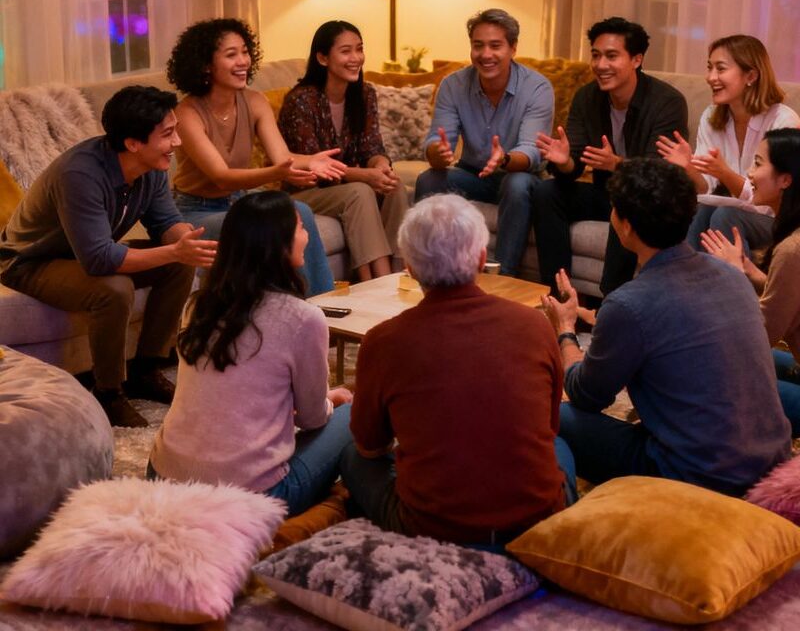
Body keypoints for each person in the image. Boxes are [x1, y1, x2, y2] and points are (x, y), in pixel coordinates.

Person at [542, 158, 791, 496]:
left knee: (549, 414)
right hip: (768, 463)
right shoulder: (732, 276)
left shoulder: (628, 303)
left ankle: (563, 520)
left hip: (695, 475)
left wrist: (566, 329)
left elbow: (587, 395)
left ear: (625, 226)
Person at [340, 194, 576, 550]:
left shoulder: (382, 341)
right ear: (482, 258)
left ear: (410, 268)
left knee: (351, 458)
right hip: (536, 521)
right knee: (559, 448)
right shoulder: (536, 324)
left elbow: (370, 447)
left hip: (433, 529)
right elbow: (549, 426)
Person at [0, 86, 215, 427]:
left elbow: (165, 221)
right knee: (114, 288)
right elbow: (100, 260)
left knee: (177, 264)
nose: (177, 143)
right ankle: (108, 392)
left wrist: (188, 243)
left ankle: (147, 368)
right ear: (133, 143)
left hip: (83, 254)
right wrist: (174, 250)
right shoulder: (80, 174)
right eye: (168, 134)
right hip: (29, 262)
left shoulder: (153, 167)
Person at [149, 191, 353, 516]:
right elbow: (314, 418)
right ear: (278, 245)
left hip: (162, 476)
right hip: (249, 498)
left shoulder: (197, 305)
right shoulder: (303, 318)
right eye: (301, 227)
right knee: (353, 414)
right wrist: (331, 401)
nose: (307, 235)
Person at [167, 17, 344, 296]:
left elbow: (281, 156)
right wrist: (278, 173)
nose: (243, 62)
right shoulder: (186, 114)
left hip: (240, 201)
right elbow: (221, 177)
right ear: (205, 64)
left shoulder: (254, 101)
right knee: (263, 227)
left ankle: (321, 308)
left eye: (245, 52)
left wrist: (311, 161)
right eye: (231, 55)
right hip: (197, 211)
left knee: (300, 212)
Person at [532, 17, 688, 296]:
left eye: (611, 56)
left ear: (636, 59)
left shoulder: (667, 102)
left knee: (625, 202)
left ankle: (611, 302)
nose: (600, 65)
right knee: (547, 192)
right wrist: (565, 161)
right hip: (604, 191)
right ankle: (559, 294)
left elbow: (662, 173)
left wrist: (618, 164)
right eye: (596, 55)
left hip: (647, 202)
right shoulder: (586, 97)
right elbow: (575, 162)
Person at [414, 9, 554, 277]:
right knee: (429, 179)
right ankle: (429, 272)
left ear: (513, 48)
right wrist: (438, 153)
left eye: (495, 46)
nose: (485, 54)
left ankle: (504, 277)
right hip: (473, 174)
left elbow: (533, 151)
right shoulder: (453, 85)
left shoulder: (537, 88)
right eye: (478, 46)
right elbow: (436, 141)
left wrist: (505, 159)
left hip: (520, 175)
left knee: (517, 184)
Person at [278, 20, 408, 282]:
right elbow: (318, 169)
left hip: (346, 185)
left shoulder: (365, 93)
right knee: (359, 192)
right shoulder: (301, 100)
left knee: (395, 186)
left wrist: (381, 166)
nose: (356, 58)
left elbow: (373, 147)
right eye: (346, 51)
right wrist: (366, 176)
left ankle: (401, 275)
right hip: (307, 190)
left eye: (359, 49)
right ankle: (377, 284)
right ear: (323, 58)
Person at [657, 34, 799, 257]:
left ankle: (721, 288)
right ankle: (684, 284)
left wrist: (724, 172)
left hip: (779, 220)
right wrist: (689, 168)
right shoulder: (711, 117)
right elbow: (706, 190)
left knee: (725, 216)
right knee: (701, 210)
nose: (710, 77)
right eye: (709, 68)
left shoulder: (783, 122)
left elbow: (778, 198)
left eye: (720, 69)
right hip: (730, 211)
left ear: (751, 75)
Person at [700, 127, 800, 436]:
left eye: (758, 163)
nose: (750, 173)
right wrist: (746, 269)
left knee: (713, 368)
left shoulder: (792, 250)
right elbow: (787, 293)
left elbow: (759, 337)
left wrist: (732, 276)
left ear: (786, 179)